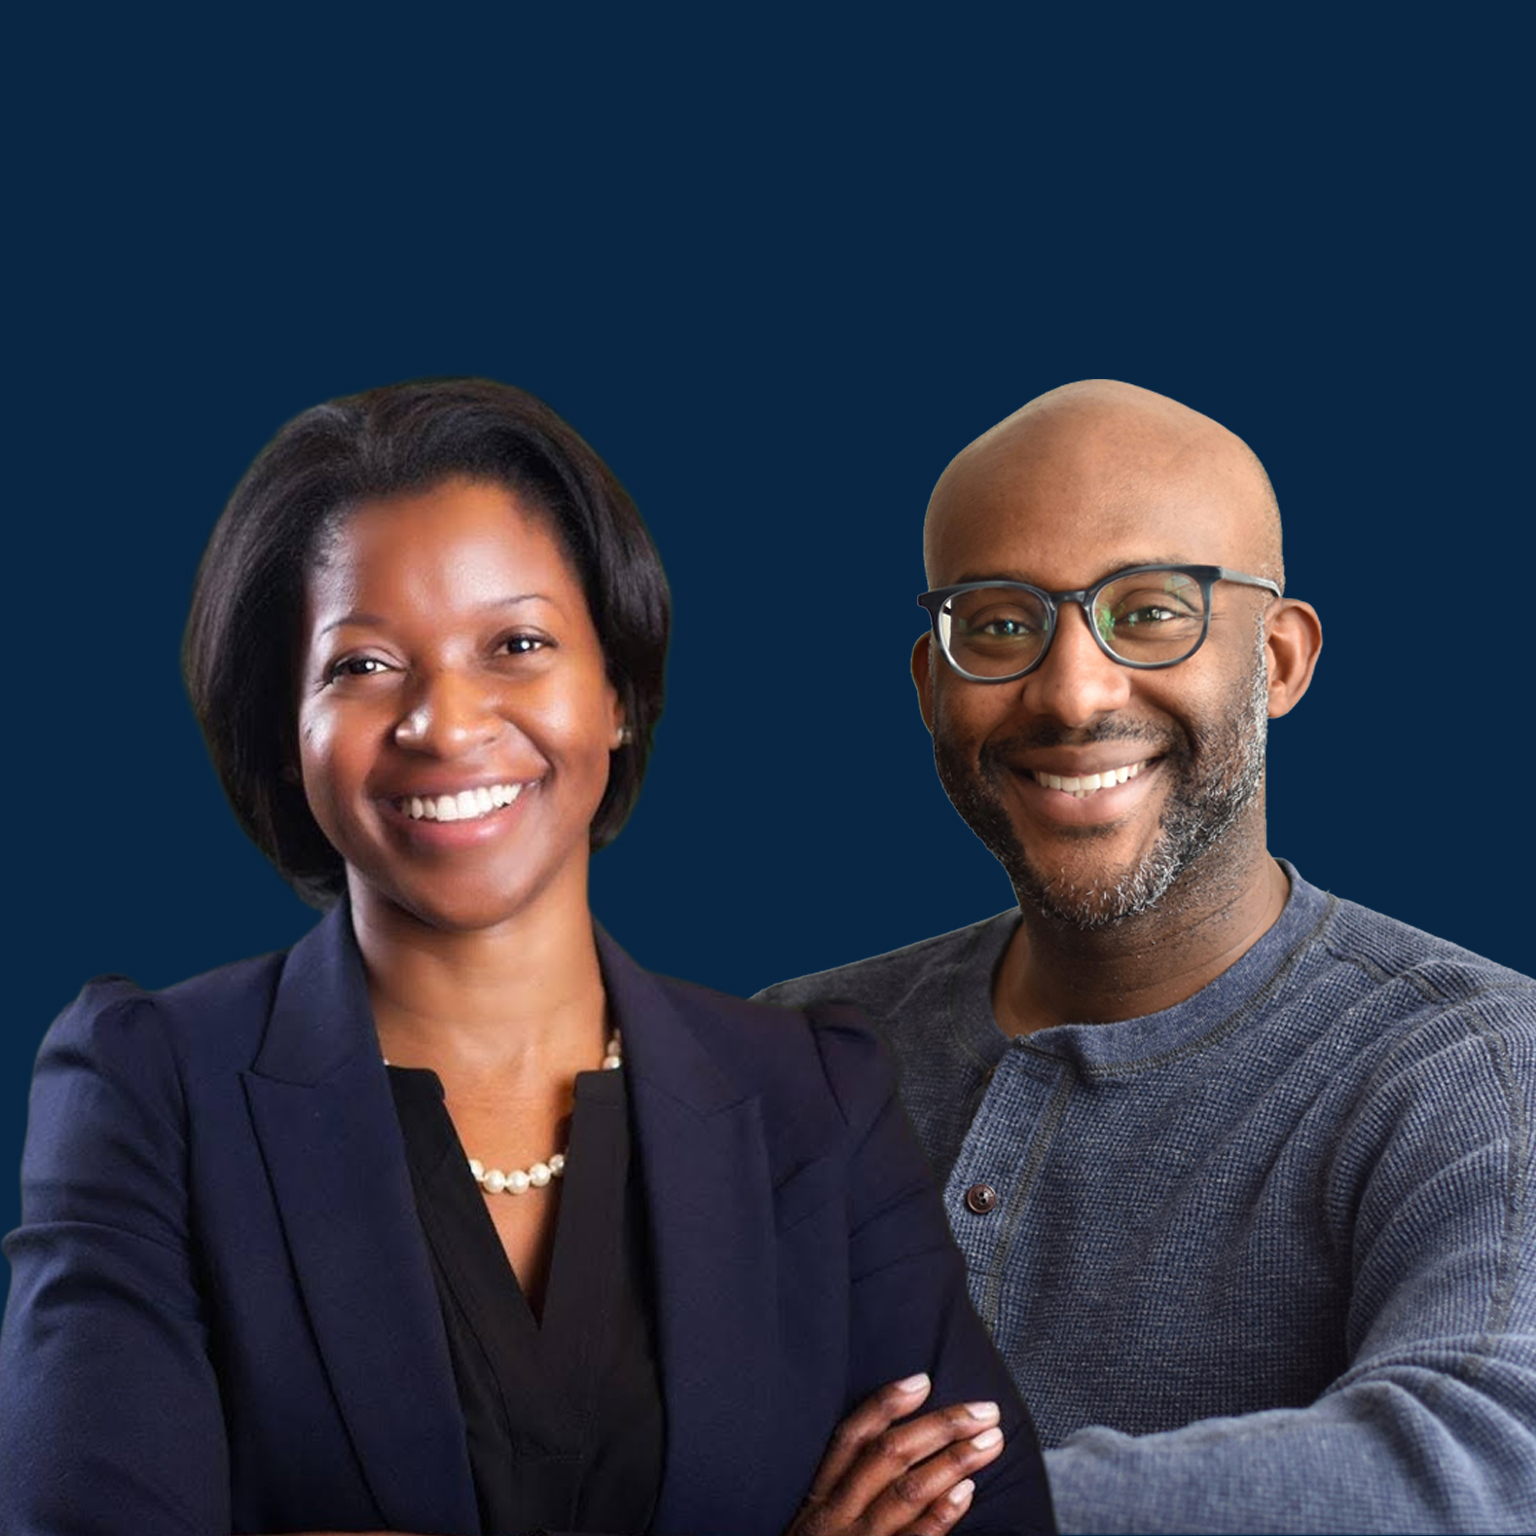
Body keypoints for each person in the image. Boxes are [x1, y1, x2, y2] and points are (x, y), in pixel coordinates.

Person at [0, 379, 1054, 1536]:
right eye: (361, 667)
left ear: (616, 695)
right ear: (285, 726)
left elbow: (992, 1515)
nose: (446, 723)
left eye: (517, 643)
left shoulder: (813, 1098)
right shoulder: (148, 1088)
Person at [758, 379, 1536, 1534]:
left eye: (1152, 610)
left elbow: (1486, 1458)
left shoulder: (1474, 1065)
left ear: (1277, 660)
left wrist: (977, 1515)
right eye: (1001, 625)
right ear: (932, 686)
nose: (1072, 692)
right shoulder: (789, 1050)